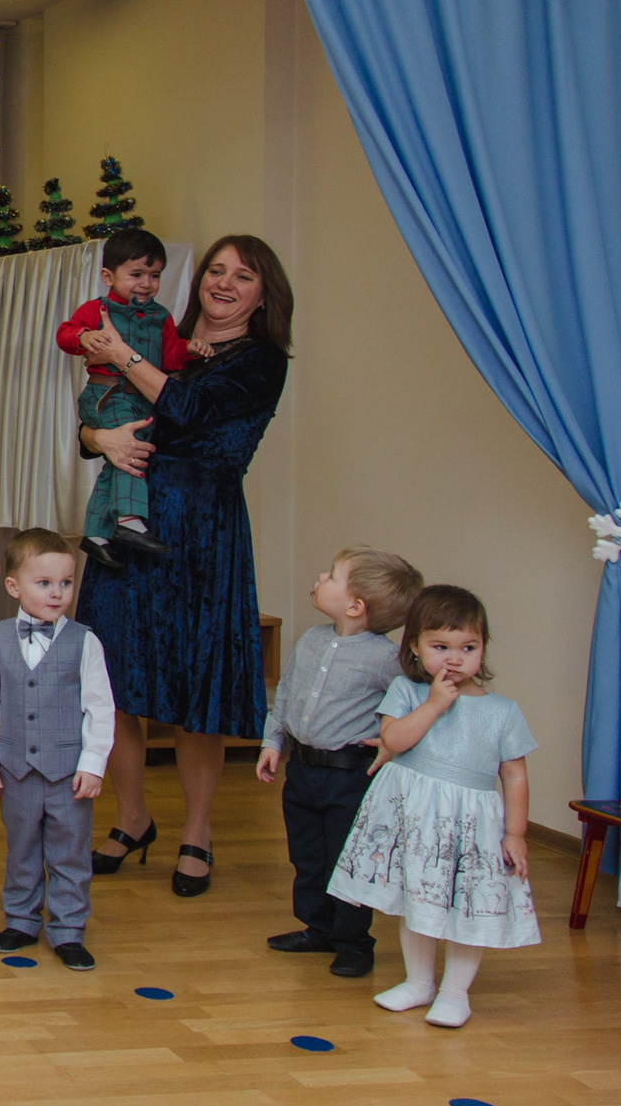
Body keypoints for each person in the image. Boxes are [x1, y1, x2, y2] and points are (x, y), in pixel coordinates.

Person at [73, 233, 294, 900]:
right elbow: (104, 407)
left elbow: (188, 409)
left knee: (194, 688)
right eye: (216, 270)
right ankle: (132, 816)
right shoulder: (165, 336)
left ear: (263, 294)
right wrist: (95, 437)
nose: (224, 283)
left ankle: (198, 830)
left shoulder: (260, 360)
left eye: (243, 275)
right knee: (111, 678)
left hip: (202, 529)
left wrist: (122, 353)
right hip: (127, 514)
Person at [328, 586, 541, 1028]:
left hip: (472, 827)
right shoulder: (407, 692)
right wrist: (434, 705)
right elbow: (393, 740)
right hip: (416, 821)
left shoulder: (503, 711)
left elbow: (514, 774)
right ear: (415, 647)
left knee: (465, 907)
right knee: (418, 901)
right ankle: (419, 982)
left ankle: (455, 992)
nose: (455, 659)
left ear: (483, 648)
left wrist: (515, 833)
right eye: (440, 647)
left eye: (468, 647)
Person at [258, 547, 424, 980]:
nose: (320, 576)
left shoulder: (385, 659)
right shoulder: (311, 640)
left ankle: (354, 942)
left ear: (355, 605)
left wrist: (392, 742)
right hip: (303, 771)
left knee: (346, 860)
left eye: (332, 575)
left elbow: (411, 704)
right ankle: (319, 928)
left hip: (350, 776)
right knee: (308, 855)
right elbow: (289, 693)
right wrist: (272, 741)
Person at [0, 530, 116, 972]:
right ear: (14, 586)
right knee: (22, 848)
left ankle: (69, 929)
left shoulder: (84, 642)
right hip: (16, 769)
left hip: (68, 772)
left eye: (66, 583)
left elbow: (100, 708)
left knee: (70, 851)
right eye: (45, 583)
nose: (57, 593)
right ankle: (21, 920)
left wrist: (93, 764)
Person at [54, 228, 204, 568]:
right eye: (136, 274)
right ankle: (129, 520)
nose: (146, 283)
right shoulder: (98, 308)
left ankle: (94, 533)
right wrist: (86, 336)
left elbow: (169, 357)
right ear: (108, 276)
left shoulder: (161, 316)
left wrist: (190, 350)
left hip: (139, 400)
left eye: (154, 276)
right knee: (130, 450)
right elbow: (65, 334)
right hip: (107, 394)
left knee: (115, 459)